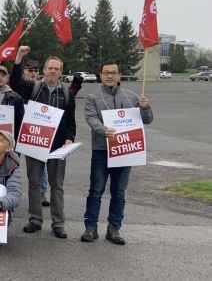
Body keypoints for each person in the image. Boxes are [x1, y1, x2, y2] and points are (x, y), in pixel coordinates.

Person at [81, 60, 153, 245]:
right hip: (101, 150)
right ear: (101, 75)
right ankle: (90, 227)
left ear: (119, 75)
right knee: (96, 190)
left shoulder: (132, 96)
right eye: (106, 73)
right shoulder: (92, 98)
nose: (110, 76)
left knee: (119, 192)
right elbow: (90, 118)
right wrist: (103, 129)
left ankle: (114, 228)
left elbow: (147, 119)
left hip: (125, 151)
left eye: (113, 72)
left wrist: (145, 107)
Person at [10, 46, 76, 239]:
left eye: (56, 69)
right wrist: (19, 57)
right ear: (44, 71)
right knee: (34, 183)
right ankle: (35, 220)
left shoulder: (66, 94)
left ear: (61, 72)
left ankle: (58, 223)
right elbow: (15, 82)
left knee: (57, 185)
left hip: (57, 147)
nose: (53, 71)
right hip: (35, 144)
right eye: (50, 68)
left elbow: (70, 121)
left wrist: (69, 138)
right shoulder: (34, 88)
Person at [22, 59, 50, 207]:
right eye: (30, 70)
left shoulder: (42, 88)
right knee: (10, 162)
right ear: (24, 71)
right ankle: (6, 190)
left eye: (35, 71)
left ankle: (41, 192)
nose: (33, 73)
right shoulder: (19, 87)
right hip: (18, 131)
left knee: (40, 164)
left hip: (35, 131)